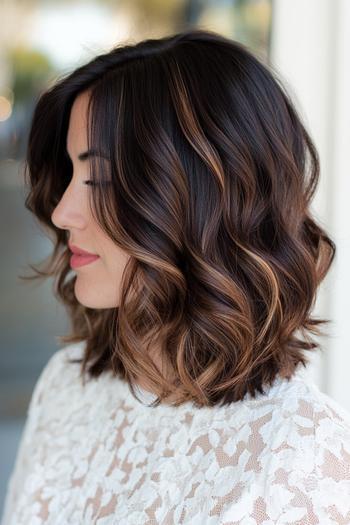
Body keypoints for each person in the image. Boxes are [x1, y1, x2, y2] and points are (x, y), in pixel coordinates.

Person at [2, 28, 350, 525]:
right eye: (69, 175)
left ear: (202, 200)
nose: (61, 213)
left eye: (97, 178)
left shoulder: (307, 463)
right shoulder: (67, 387)